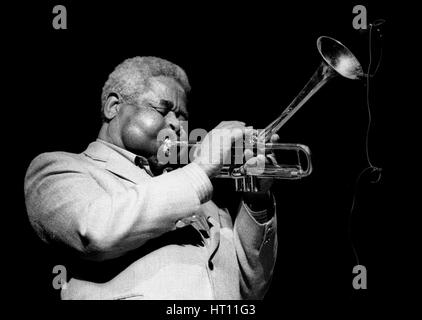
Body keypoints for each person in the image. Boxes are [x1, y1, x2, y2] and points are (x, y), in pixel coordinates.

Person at [24, 56, 278, 300]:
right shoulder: (56, 169)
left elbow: (251, 289)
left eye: (182, 116)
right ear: (114, 107)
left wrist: (257, 202)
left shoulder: (206, 201)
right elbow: (94, 232)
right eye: (163, 109)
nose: (177, 125)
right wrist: (201, 169)